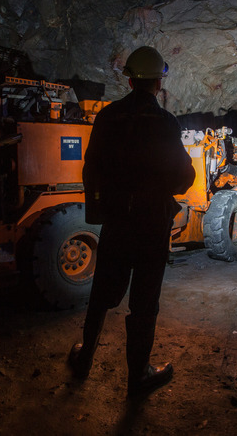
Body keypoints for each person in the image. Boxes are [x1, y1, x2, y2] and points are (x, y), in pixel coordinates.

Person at [69, 46, 196, 396]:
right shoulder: (167, 123)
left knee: (102, 294)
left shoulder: (108, 116)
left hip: (117, 223)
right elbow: (184, 177)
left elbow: (91, 167)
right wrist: (159, 191)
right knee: (144, 301)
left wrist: (100, 211)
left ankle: (84, 360)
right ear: (159, 82)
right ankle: (138, 375)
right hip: (152, 225)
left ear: (129, 79)